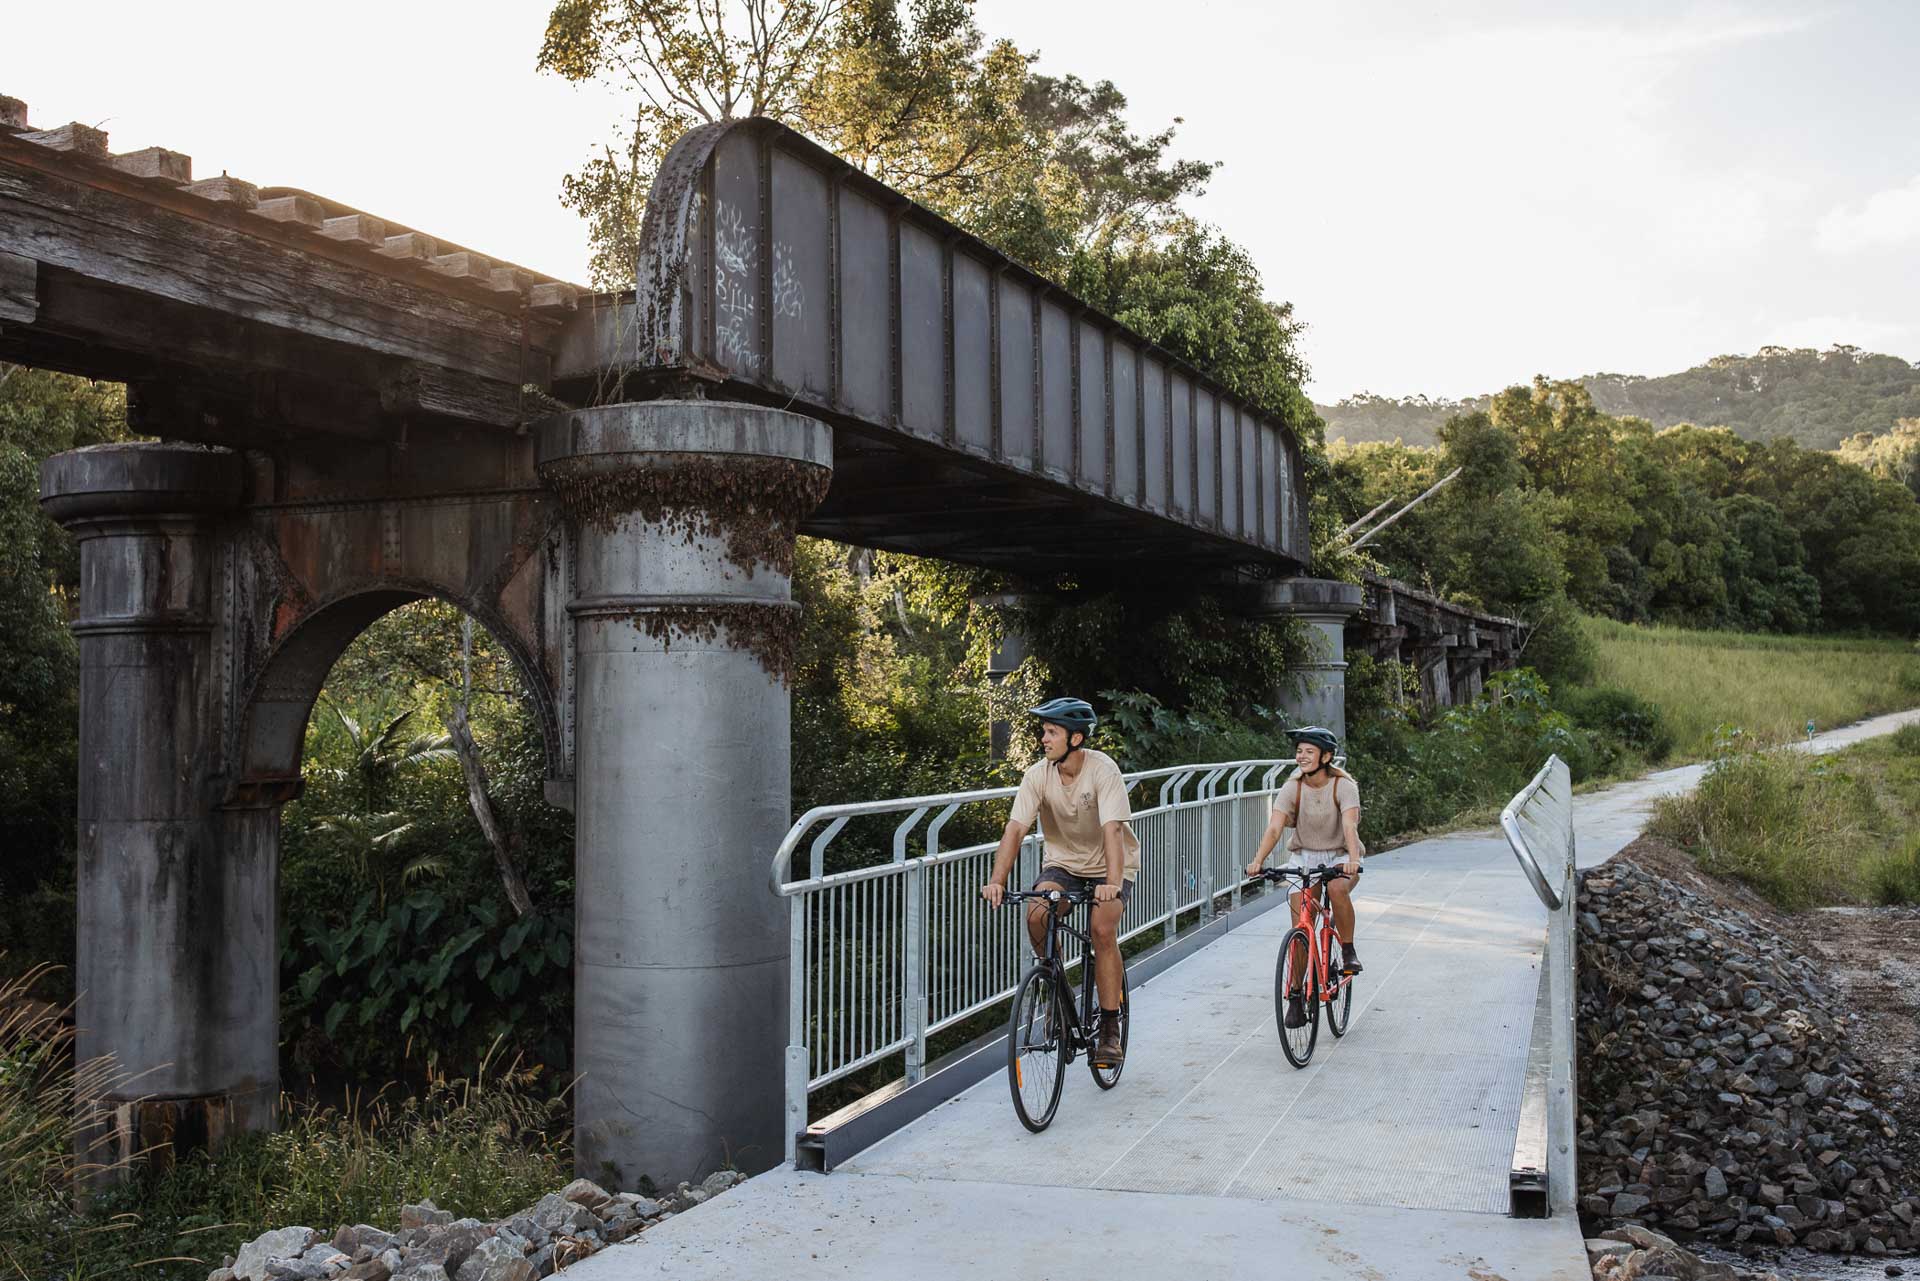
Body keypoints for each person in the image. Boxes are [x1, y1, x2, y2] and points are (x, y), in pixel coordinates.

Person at [981, 697, 1139, 1068]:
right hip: (1063, 865)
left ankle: (1110, 1030)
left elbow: (1113, 830)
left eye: (1052, 732)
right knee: (1037, 913)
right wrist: (996, 881)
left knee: (1101, 930)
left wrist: (1112, 883)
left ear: (1076, 738)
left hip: (1110, 866)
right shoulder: (1038, 775)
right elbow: (1015, 829)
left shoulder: (1103, 770)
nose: (1043, 739)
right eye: (1044, 731)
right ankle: (1056, 984)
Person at [1244, 726, 1365, 1030]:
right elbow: (1274, 828)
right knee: (1301, 926)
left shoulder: (1343, 786)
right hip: (1304, 856)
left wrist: (1352, 860)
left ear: (1325, 756)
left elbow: (1350, 826)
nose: (1301, 756)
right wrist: (1258, 862)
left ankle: (1347, 950)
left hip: (1339, 854)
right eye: (1299, 751)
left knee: (1337, 890)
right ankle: (1296, 995)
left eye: (1309, 751)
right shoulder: (1293, 787)